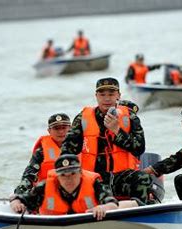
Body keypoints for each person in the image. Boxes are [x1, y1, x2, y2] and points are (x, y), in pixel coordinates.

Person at [60, 77, 163, 207]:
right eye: (102, 94)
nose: (107, 98)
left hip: (122, 176)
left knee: (142, 178)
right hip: (94, 178)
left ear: (118, 95)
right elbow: (68, 149)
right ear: (96, 96)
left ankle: (138, 212)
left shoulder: (130, 117)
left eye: (111, 94)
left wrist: (117, 131)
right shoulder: (83, 118)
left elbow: (139, 148)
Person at [10, 154, 118, 220]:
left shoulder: (95, 184)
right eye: (63, 175)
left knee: (125, 205)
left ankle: (135, 203)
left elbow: (112, 203)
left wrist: (102, 208)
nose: (68, 179)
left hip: (89, 224)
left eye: (72, 174)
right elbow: (20, 198)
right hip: (52, 228)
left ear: (80, 173)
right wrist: (16, 203)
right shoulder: (44, 186)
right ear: (57, 176)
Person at [13, 113, 72, 196]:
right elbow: (29, 176)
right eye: (56, 128)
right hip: (49, 194)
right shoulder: (41, 152)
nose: (61, 131)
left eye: (64, 127)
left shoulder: (82, 147)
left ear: (71, 128)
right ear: (49, 131)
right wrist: (18, 195)